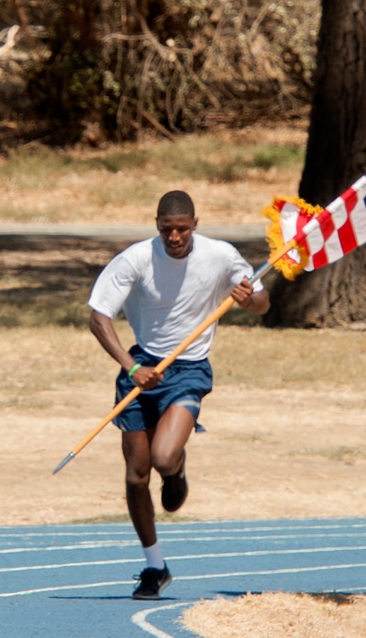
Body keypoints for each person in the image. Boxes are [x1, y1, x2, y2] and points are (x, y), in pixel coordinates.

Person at [88, 190, 270, 600]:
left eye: (182, 228)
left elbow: (263, 303)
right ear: (156, 224)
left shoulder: (220, 256)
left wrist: (249, 298)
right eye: (166, 228)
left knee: (163, 458)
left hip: (188, 369)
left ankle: (178, 465)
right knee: (136, 476)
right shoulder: (135, 259)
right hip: (140, 369)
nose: (174, 236)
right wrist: (130, 366)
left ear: (195, 223)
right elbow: (99, 318)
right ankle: (155, 567)